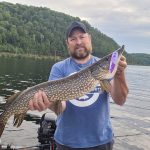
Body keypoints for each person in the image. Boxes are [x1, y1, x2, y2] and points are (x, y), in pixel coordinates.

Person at [29, 21, 129, 150]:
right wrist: (47, 103)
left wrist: (119, 74)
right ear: (68, 43)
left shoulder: (104, 69)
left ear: (89, 38)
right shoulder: (59, 68)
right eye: (73, 39)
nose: (78, 42)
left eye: (82, 37)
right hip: (67, 143)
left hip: (102, 142)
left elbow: (120, 100)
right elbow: (60, 108)